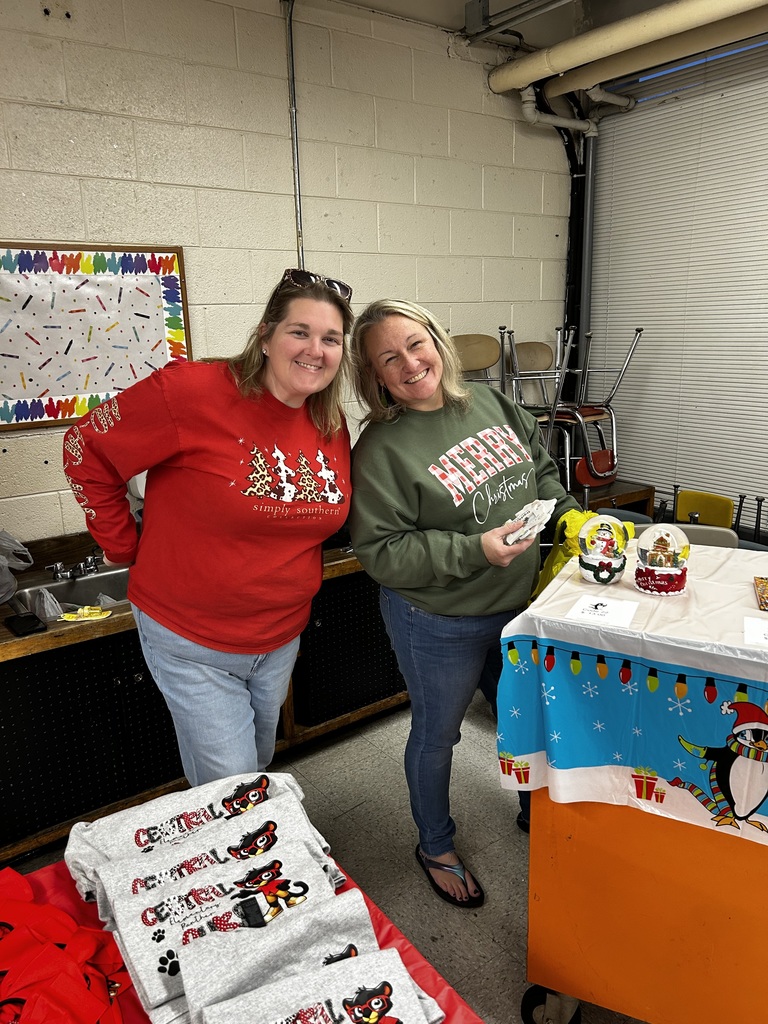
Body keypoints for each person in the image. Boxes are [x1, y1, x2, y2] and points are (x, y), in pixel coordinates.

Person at [63, 268, 354, 787]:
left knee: (257, 766)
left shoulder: (328, 422)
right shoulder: (191, 391)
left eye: (331, 338)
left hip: (280, 636)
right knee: (234, 789)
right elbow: (85, 447)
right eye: (299, 332)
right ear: (265, 336)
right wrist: (122, 544)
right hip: (192, 639)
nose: (315, 349)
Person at [348, 299, 579, 908]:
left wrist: (569, 514)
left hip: (520, 606)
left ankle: (536, 812)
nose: (409, 363)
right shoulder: (380, 449)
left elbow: (541, 468)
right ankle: (435, 844)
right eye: (388, 358)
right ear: (374, 377)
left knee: (528, 720)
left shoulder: (490, 403)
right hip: (438, 621)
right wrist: (474, 549)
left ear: (437, 342)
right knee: (438, 735)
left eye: (415, 344)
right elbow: (382, 551)